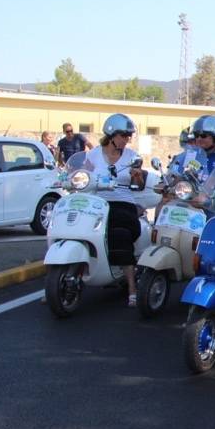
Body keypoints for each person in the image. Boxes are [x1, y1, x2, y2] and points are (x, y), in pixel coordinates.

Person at [85, 114, 146, 306]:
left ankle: (131, 287)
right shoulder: (93, 155)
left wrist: (137, 176)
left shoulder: (132, 156)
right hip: (97, 202)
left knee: (120, 232)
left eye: (129, 136)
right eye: (124, 135)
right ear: (111, 134)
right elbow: (83, 175)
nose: (127, 139)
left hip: (122, 201)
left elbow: (139, 184)